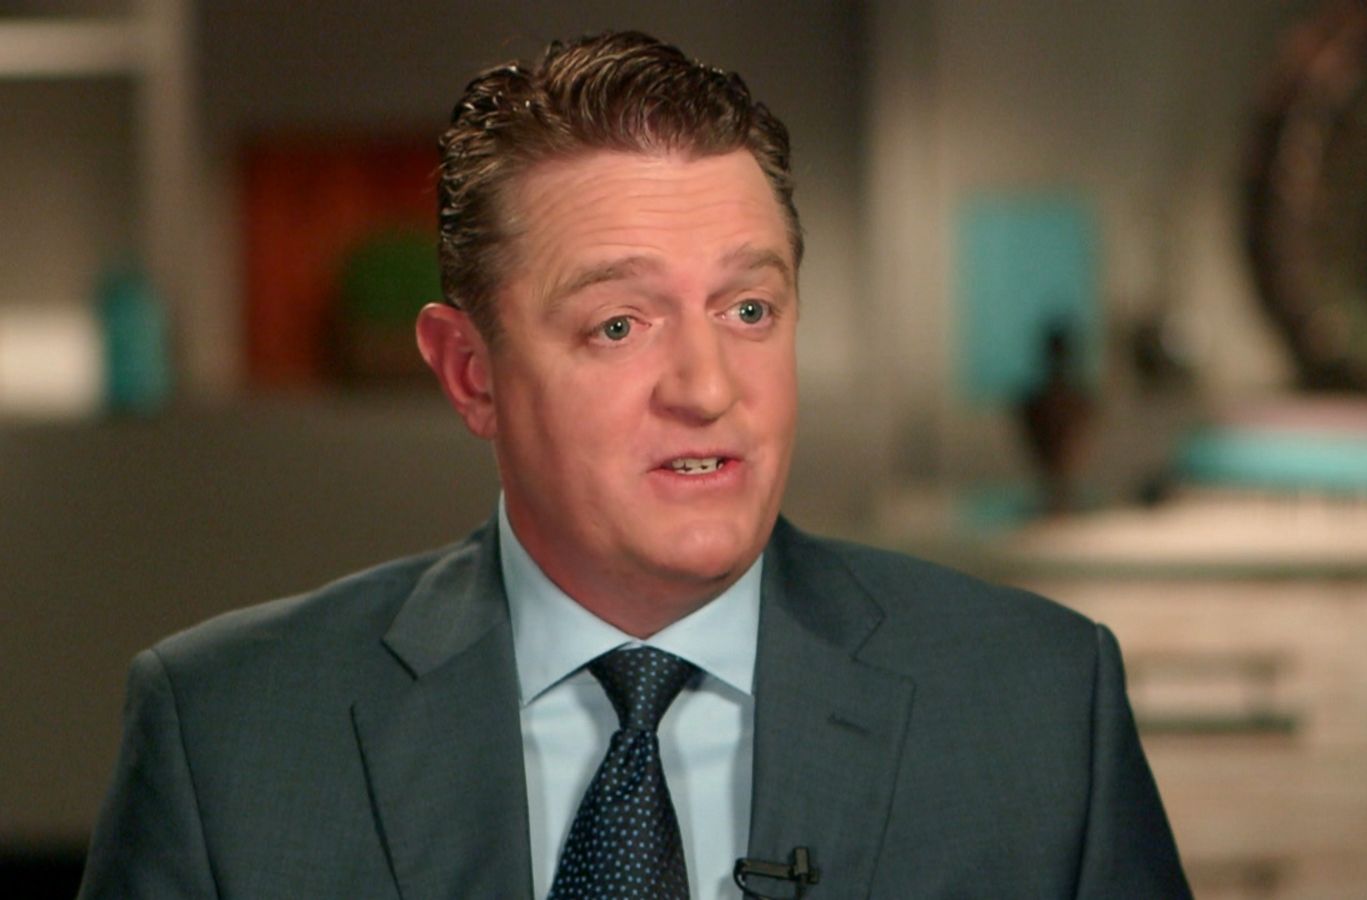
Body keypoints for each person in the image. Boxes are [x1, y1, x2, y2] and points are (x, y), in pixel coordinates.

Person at [78, 31, 1189, 899]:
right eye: (619, 325)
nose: (706, 387)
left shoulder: (1037, 710)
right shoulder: (230, 738)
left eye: (748, 310)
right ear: (470, 372)